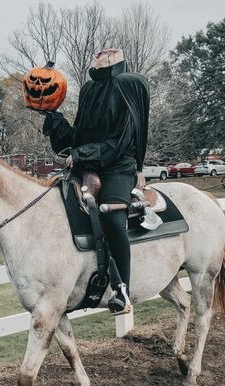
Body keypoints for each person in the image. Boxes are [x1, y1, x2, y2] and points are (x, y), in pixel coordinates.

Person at [42, 48, 150, 314]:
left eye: (107, 52)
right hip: (88, 164)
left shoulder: (130, 85)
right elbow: (79, 136)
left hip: (119, 165)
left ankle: (122, 290)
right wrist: (54, 117)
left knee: (113, 219)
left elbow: (120, 141)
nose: (101, 53)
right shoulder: (90, 89)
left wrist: (80, 154)